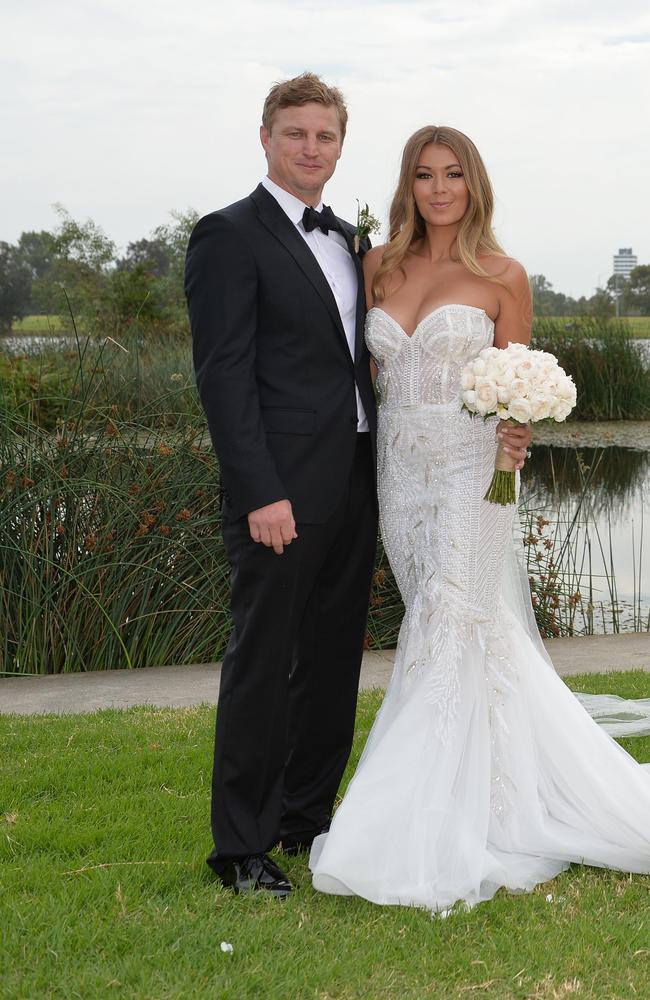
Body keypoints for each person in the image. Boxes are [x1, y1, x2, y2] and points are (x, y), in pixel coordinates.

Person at [310, 126, 650, 911]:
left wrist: (519, 428)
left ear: (473, 184)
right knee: (451, 625)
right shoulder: (379, 266)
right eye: (424, 175)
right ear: (409, 185)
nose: (438, 189)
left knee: (451, 620)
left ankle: (421, 819)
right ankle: (492, 786)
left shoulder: (504, 274)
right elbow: (362, 382)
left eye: (452, 174)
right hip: (399, 474)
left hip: (476, 471)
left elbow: (515, 376)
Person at [184, 72, 381, 897]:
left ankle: (306, 821)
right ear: (265, 137)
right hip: (280, 495)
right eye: (295, 133)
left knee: (334, 661)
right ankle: (242, 847)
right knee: (263, 664)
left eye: (325, 135)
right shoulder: (228, 235)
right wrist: (261, 490)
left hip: (357, 483)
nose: (311, 148)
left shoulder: (352, 241)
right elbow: (224, 377)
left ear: (340, 143)